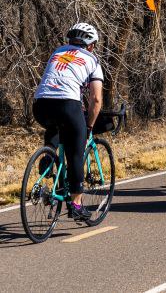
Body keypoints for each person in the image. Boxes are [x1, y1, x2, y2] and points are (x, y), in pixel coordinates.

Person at [33, 22, 103, 221]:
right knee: (75, 153)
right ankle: (76, 205)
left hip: (40, 105)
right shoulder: (92, 60)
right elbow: (96, 100)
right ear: (90, 45)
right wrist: (88, 126)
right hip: (68, 105)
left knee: (55, 125)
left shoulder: (57, 52)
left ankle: (47, 158)